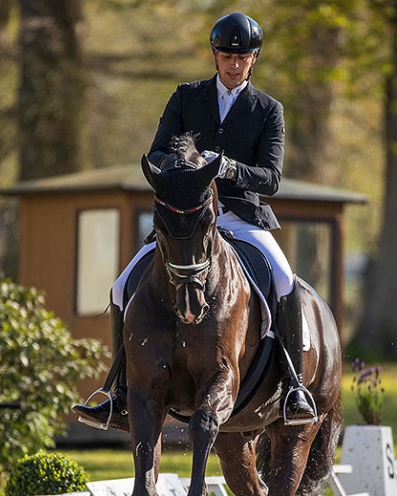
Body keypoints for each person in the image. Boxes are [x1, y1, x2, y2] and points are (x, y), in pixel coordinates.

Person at [73, 12, 316, 430]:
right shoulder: (186, 97)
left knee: (284, 279)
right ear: (215, 56)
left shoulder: (267, 110)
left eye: (242, 57)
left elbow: (272, 178)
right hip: (187, 220)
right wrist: (188, 164)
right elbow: (158, 153)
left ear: (253, 59)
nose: (234, 64)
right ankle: (119, 394)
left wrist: (229, 169)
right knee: (120, 286)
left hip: (240, 217)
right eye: (226, 55)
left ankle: (294, 385)